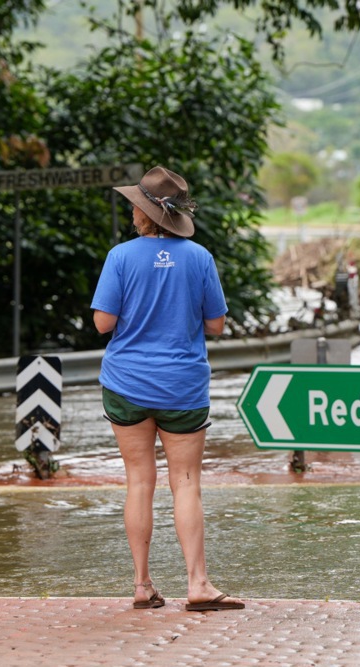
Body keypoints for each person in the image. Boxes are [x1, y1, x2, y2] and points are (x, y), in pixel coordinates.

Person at [91, 165, 244, 612]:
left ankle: (142, 585)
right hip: (182, 384)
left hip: (126, 383)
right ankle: (198, 584)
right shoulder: (200, 258)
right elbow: (215, 325)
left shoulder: (120, 257)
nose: (132, 213)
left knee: (139, 480)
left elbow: (103, 324)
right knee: (186, 482)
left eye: (135, 206)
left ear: (145, 214)